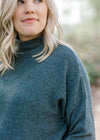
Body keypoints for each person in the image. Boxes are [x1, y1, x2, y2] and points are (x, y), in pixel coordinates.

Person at [0, 0, 95, 139]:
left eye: (37, 1)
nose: (30, 9)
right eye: (20, 2)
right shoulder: (3, 62)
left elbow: (84, 134)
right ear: (8, 9)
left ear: (48, 9)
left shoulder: (66, 61)